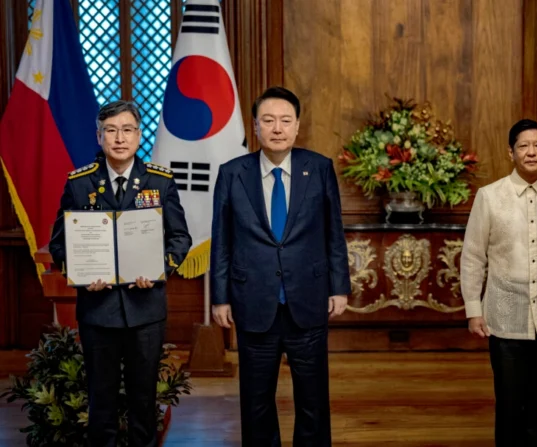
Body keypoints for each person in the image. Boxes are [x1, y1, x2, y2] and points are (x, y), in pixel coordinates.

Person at [210, 86, 351, 446]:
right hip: (252, 300)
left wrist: (339, 286)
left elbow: (333, 232)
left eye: (285, 121)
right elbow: (222, 239)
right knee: (256, 401)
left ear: (297, 126)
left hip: (308, 297)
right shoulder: (232, 173)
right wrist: (220, 297)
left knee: (313, 400)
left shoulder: (318, 168)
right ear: (255, 126)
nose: (277, 128)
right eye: (268, 121)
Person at [49, 100, 192, 447]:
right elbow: (59, 244)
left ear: (139, 135)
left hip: (145, 311)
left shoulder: (159, 182)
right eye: (111, 130)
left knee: (144, 401)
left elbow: (180, 238)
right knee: (101, 400)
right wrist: (83, 274)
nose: (119, 138)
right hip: (98, 312)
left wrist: (158, 270)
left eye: (127, 130)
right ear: (99, 136)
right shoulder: (79, 184)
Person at [460, 118, 537, 446]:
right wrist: (474, 309)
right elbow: (473, 257)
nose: (531, 152)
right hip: (503, 317)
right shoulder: (489, 197)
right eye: (523, 146)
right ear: (510, 153)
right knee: (509, 403)